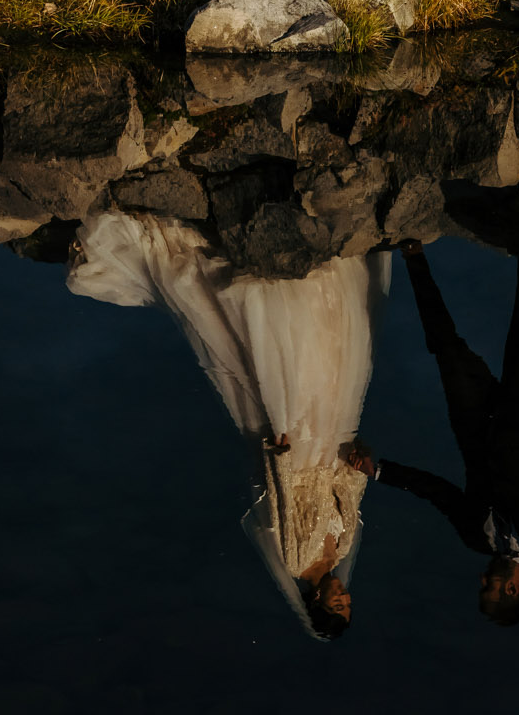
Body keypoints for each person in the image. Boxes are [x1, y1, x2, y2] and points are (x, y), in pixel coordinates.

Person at [67, 206, 390, 639]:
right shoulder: (345, 545)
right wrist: (359, 462)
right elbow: (348, 489)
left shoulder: (296, 558)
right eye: (349, 602)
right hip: (332, 440)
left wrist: (280, 454)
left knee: (287, 364)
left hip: (295, 451)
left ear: (315, 600)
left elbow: (277, 502)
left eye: (338, 603)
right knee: (332, 355)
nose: (345, 595)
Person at [346, 242, 519, 628]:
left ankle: (414, 256)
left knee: (445, 348)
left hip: (473, 420)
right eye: (489, 587)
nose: (482, 578)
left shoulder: (476, 538)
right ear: (511, 590)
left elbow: (437, 491)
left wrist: (379, 471)